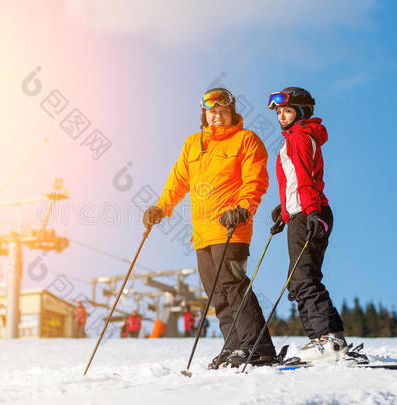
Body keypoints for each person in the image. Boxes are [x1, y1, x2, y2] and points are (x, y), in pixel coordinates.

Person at [143, 88, 276, 368]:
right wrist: (161, 207)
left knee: (234, 286)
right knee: (217, 295)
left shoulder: (246, 140)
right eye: (212, 111)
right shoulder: (193, 144)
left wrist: (242, 209)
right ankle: (234, 347)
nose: (217, 116)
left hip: (232, 227)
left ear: (232, 113)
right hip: (202, 234)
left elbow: (255, 181)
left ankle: (258, 348)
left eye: (223, 111)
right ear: (204, 114)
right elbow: (178, 180)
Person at [267, 87, 347, 362]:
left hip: (309, 212)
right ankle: (325, 338)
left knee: (304, 279)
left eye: (287, 111)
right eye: (278, 112)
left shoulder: (300, 136)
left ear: (301, 112)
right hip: (302, 212)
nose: (281, 116)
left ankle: (328, 338)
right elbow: (295, 182)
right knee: (299, 280)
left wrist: (309, 212)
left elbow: (304, 178)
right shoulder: (295, 138)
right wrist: (285, 211)